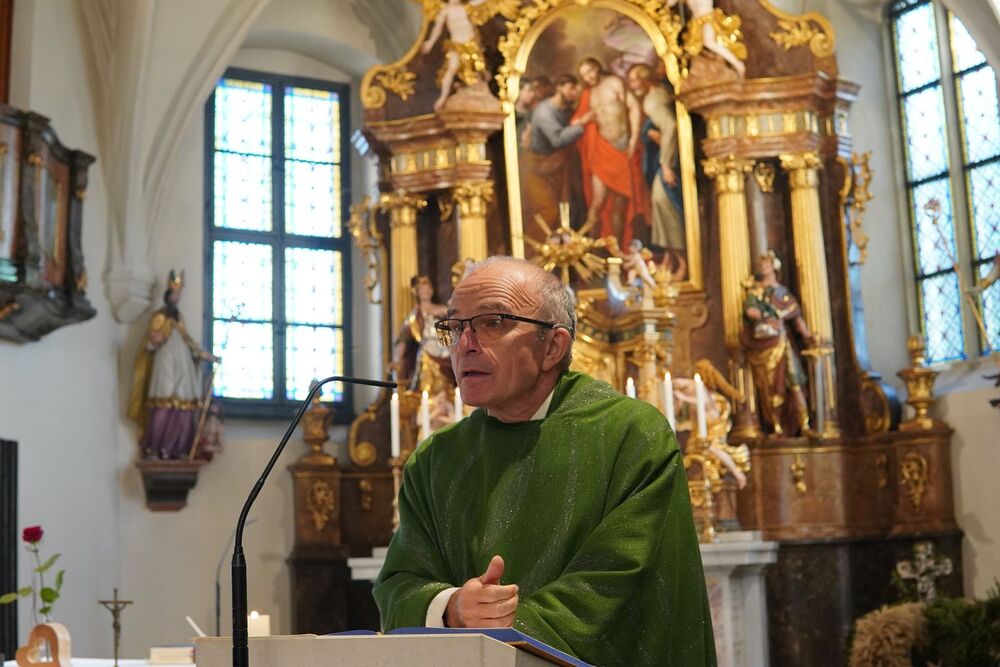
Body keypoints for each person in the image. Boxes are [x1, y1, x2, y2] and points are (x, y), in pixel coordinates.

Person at [374, 256, 715, 666]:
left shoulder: (632, 436)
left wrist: (505, 626)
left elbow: (622, 579)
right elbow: (400, 583)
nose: (464, 345)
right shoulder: (436, 459)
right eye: (456, 326)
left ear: (553, 346)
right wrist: (452, 607)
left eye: (493, 322)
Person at [127, 270, 216, 459]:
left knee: (183, 406)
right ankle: (156, 447)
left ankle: (179, 448)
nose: (176, 298)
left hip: (182, 364)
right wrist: (157, 336)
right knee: (163, 403)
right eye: (174, 294)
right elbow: (152, 341)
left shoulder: (179, 317)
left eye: (179, 294)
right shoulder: (159, 316)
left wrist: (205, 355)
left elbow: (188, 340)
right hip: (166, 362)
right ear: (168, 295)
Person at [571, 57, 649, 245]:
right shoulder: (588, 94)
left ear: (597, 68)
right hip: (602, 151)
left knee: (621, 203)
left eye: (590, 71)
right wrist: (585, 119)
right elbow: (575, 122)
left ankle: (618, 251)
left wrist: (634, 138)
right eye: (584, 75)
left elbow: (633, 107)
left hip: (621, 149)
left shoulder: (614, 83)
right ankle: (591, 250)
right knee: (597, 203)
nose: (588, 77)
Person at [741, 251, 813, 436]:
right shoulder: (755, 292)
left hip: (783, 342)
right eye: (761, 264)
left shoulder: (783, 293)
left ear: (774, 266)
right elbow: (750, 311)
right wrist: (768, 315)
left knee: (795, 381)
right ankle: (776, 426)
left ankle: (804, 424)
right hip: (765, 343)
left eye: (766, 263)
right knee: (771, 385)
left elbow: (796, 316)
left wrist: (807, 334)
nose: (763, 267)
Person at [626, 63, 687, 280]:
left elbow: (670, 125)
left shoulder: (653, 100)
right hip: (663, 162)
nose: (632, 85)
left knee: (663, 202)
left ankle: (682, 261)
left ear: (644, 79)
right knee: (660, 205)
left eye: (634, 80)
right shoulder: (655, 96)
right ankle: (670, 258)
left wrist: (666, 164)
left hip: (666, 164)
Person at [520, 74, 590, 239]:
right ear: (559, 88)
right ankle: (530, 251)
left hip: (557, 167)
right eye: (571, 88)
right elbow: (557, 140)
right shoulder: (544, 111)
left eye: (576, 89)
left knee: (566, 213)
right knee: (549, 211)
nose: (574, 93)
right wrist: (582, 124)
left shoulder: (566, 110)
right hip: (538, 167)